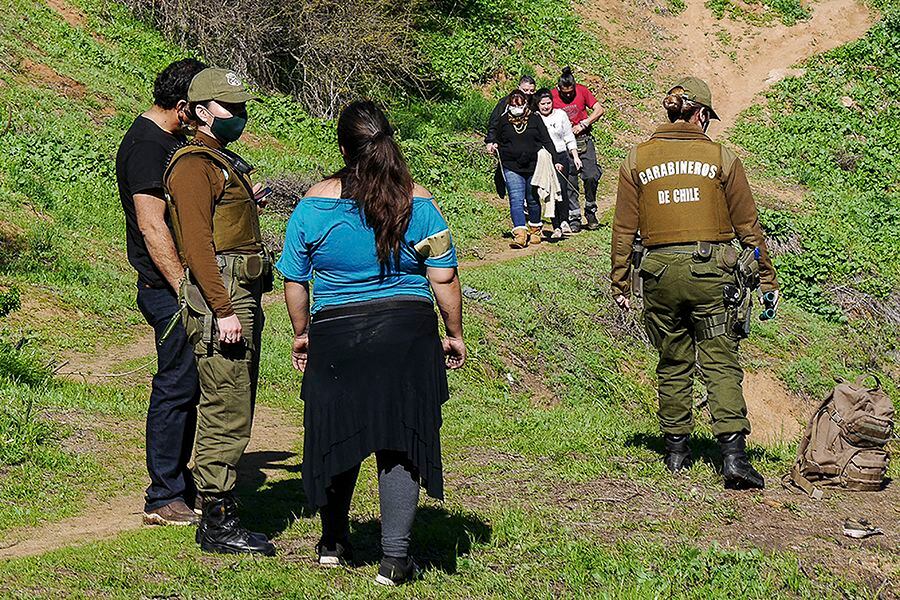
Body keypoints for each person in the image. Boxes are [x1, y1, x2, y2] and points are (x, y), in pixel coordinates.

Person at [277, 101, 466, 586]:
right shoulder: (421, 204)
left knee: (337, 432)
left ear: (343, 148)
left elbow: (295, 279)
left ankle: (332, 542)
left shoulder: (312, 205)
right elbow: (443, 277)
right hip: (407, 333)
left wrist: (302, 333)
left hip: (338, 333)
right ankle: (395, 558)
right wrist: (454, 333)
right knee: (401, 439)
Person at [610, 77, 779, 490]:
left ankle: (675, 453)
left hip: (659, 275)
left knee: (673, 360)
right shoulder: (721, 157)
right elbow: (748, 227)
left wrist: (620, 282)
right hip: (711, 275)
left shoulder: (636, 159)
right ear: (701, 114)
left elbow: (623, 229)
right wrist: (766, 278)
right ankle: (734, 458)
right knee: (720, 360)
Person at [163, 67, 275, 555]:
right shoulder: (193, 165)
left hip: (238, 292)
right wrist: (223, 309)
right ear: (201, 112)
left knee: (236, 401)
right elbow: (197, 247)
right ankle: (216, 521)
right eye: (231, 107)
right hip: (222, 297)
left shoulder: (221, 161)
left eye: (242, 106)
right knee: (224, 406)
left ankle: (221, 511)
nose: (240, 115)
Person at [115, 58, 207, 527]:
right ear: (183, 106)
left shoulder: (168, 140)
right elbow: (152, 226)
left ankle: (179, 483)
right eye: (203, 107)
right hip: (167, 288)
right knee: (176, 386)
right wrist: (183, 289)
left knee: (188, 385)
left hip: (177, 286)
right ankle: (163, 495)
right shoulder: (147, 146)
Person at [494, 90, 561, 248]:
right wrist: (493, 144)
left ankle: (535, 229)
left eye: (520, 105)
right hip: (511, 165)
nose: (517, 108)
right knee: (516, 199)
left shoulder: (535, 119)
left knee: (532, 199)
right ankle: (520, 234)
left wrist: (556, 160)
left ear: (525, 104)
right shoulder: (503, 120)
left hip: (533, 165)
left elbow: (546, 140)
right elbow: (496, 138)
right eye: (514, 105)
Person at [552, 66, 604, 233]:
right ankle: (574, 216)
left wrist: (584, 123)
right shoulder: (552, 96)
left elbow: (599, 109)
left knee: (591, 175)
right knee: (570, 180)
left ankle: (590, 210)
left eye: (571, 92)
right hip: (564, 144)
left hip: (583, 139)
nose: (568, 96)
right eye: (565, 93)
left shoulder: (582, 91)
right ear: (558, 88)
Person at [535, 88, 582, 240]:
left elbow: (569, 136)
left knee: (561, 188)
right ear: (537, 104)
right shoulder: (535, 118)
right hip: (544, 158)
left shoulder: (560, 114)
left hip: (561, 155)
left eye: (548, 103)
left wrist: (575, 156)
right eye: (542, 104)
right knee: (550, 191)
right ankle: (556, 226)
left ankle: (564, 220)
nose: (546, 106)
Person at [484, 75, 536, 154]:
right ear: (518, 87)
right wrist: (490, 141)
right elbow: (494, 121)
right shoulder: (506, 102)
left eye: (531, 91)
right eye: (525, 90)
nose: (528, 93)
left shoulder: (534, 103)